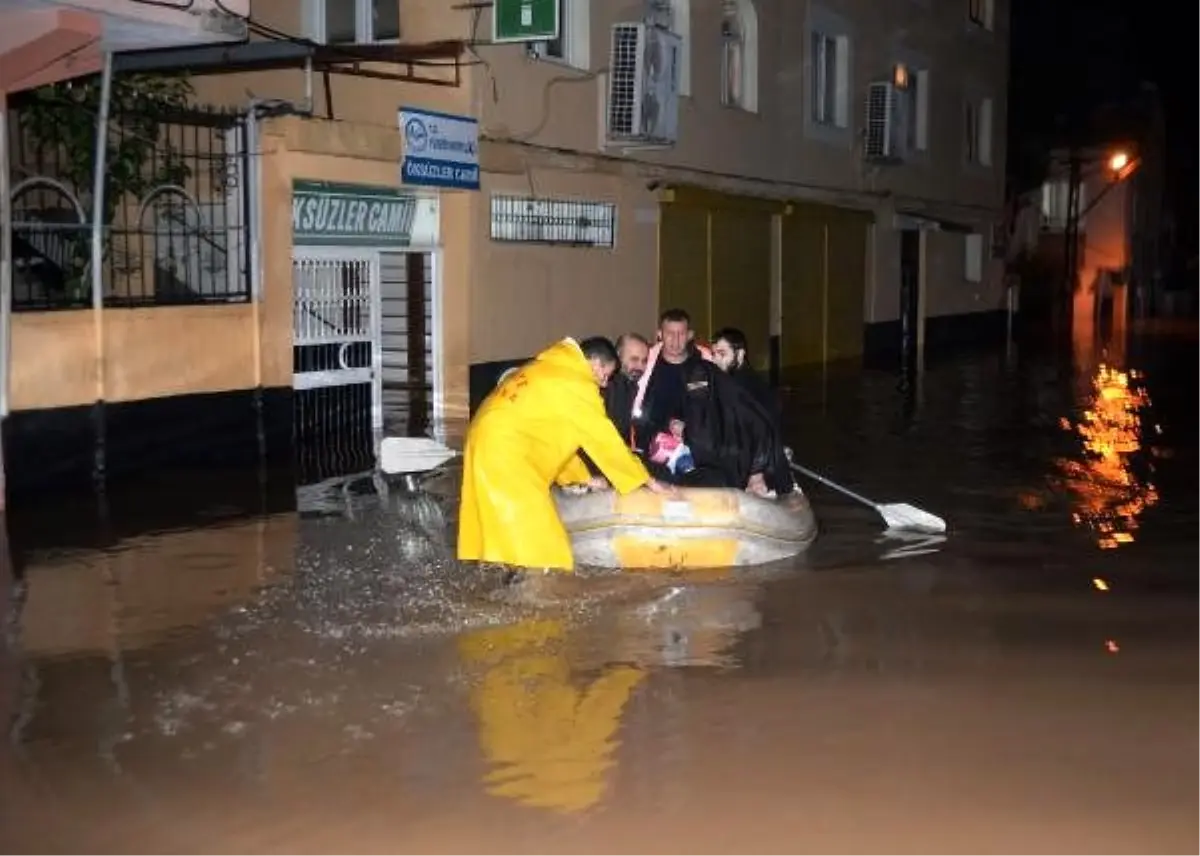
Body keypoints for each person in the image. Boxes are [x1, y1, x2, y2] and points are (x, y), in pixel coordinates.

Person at [458, 335, 674, 572]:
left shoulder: (548, 368)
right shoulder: (577, 384)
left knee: (500, 539)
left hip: (483, 441)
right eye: (605, 375)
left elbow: (557, 437)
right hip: (506, 454)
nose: (603, 384)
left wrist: (582, 477)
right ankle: (538, 604)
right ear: (595, 364)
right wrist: (646, 480)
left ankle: (495, 593)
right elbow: (604, 439)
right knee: (546, 553)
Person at [711, 327, 795, 496]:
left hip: (757, 474)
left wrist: (756, 473)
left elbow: (761, 430)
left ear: (740, 355)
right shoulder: (729, 384)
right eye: (714, 354)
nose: (716, 360)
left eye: (722, 354)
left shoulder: (747, 390)